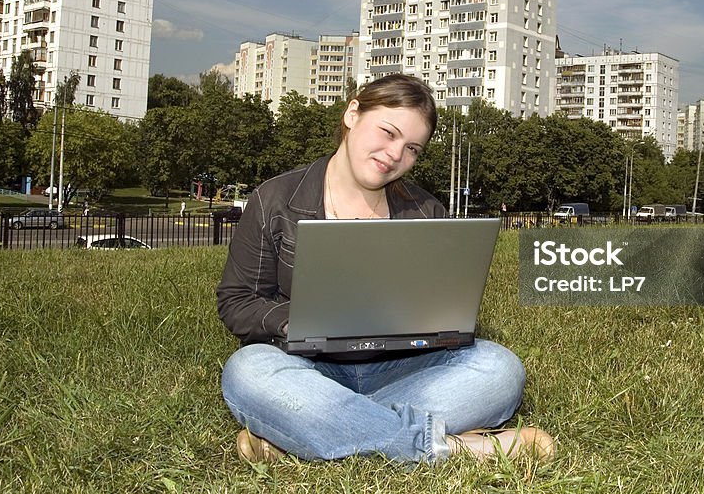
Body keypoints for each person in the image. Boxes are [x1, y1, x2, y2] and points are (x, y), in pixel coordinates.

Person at [217, 74, 554, 464]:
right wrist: (296, 321)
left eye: (412, 148)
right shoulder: (274, 199)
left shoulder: (426, 212)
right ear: (353, 113)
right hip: (302, 364)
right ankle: (454, 448)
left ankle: (302, 429)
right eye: (388, 132)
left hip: (404, 369)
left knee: (500, 369)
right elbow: (237, 301)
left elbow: (444, 310)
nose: (395, 155)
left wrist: (438, 324)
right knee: (248, 371)